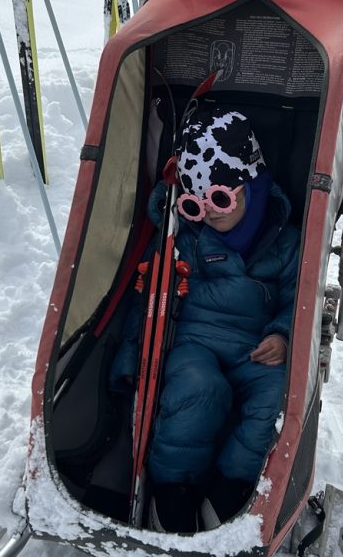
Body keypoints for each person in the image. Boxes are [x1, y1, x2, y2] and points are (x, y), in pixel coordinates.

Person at [110, 107, 300, 533]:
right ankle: (171, 491)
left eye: (218, 199)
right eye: (195, 204)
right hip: (191, 341)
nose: (208, 213)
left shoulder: (285, 242)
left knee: (275, 397)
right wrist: (130, 356)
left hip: (256, 346)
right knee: (200, 390)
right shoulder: (186, 235)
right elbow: (148, 296)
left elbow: (295, 299)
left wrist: (284, 335)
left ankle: (231, 487)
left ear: (251, 185)